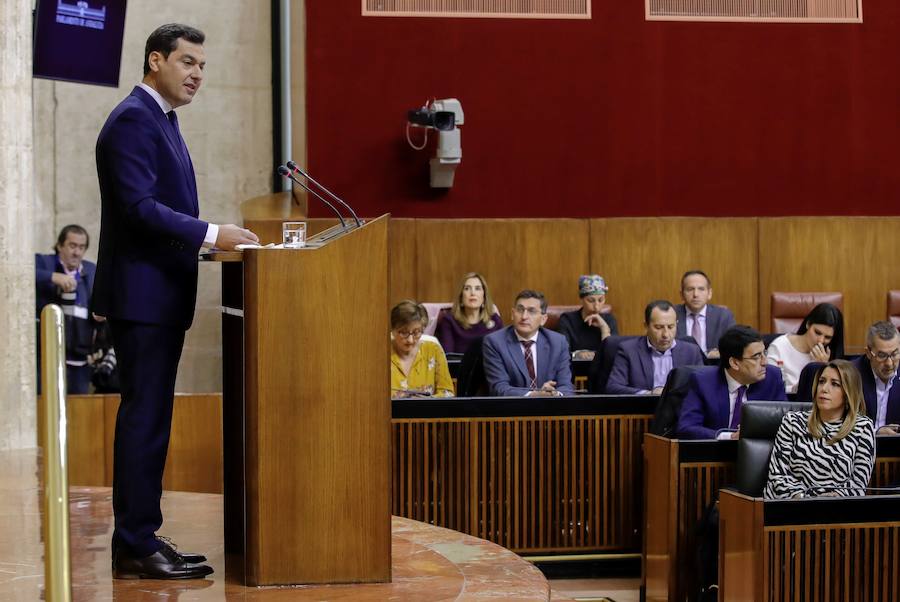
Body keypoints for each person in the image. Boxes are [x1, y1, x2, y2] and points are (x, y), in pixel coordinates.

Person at [93, 24, 258, 580]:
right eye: (188, 62)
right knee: (145, 421)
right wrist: (211, 233)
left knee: (153, 420)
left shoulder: (161, 119)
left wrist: (208, 243)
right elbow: (138, 208)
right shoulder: (134, 119)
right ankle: (134, 543)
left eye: (203, 66)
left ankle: (141, 534)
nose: (197, 74)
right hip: (142, 298)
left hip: (158, 296)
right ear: (155, 60)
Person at [764, 360, 875, 499]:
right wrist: (806, 499)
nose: (824, 389)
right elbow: (777, 476)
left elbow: (858, 485)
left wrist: (829, 500)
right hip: (791, 503)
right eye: (822, 382)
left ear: (848, 392)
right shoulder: (792, 422)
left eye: (835, 384)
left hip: (835, 506)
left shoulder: (862, 427)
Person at [677, 326, 788, 440]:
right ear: (734, 363)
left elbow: (785, 423)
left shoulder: (772, 377)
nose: (765, 362)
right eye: (756, 357)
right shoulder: (704, 382)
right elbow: (687, 428)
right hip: (716, 450)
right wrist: (729, 437)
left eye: (764, 353)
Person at [35, 225, 97, 394]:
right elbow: (21, 271)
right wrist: (52, 277)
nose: (77, 252)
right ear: (60, 245)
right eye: (72, 246)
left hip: (80, 362)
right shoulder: (44, 262)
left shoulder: (91, 271)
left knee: (79, 406)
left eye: (81, 247)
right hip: (46, 358)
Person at [482, 290, 574, 397]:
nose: (524, 316)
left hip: (550, 406)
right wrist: (534, 395)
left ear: (543, 319)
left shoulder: (558, 342)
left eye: (532, 311)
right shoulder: (494, 342)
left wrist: (554, 394)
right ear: (512, 314)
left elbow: (566, 386)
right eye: (520, 310)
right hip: (511, 407)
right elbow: (499, 388)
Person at [606, 300, 704, 395]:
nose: (666, 334)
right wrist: (648, 394)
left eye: (671, 327)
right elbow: (613, 387)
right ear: (646, 326)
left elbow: (703, 387)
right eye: (658, 327)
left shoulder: (692, 352)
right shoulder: (628, 350)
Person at [766, 303, 844, 394]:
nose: (821, 341)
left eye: (827, 337)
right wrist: (814, 368)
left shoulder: (830, 354)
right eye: (817, 332)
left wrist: (823, 367)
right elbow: (771, 387)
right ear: (808, 324)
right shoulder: (779, 347)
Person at [391, 300, 454, 398]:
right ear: (393, 330)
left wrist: (426, 400)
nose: (410, 340)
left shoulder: (433, 349)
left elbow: (448, 393)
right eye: (404, 333)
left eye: (416, 332)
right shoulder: (381, 352)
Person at [435, 272, 503, 354]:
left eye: (477, 288)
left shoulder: (495, 320)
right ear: (461, 297)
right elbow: (448, 357)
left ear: (484, 297)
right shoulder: (449, 321)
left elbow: (502, 353)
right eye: (467, 288)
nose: (473, 293)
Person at [851, 321, 900, 436]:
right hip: (858, 444)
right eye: (882, 355)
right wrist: (875, 432)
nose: (889, 363)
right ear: (868, 353)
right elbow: (839, 423)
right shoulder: (851, 375)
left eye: (894, 354)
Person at [674, 270, 736, 359]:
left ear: (709, 293)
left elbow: (734, 347)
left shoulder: (723, 316)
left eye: (701, 289)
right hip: (682, 364)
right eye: (690, 289)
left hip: (714, 364)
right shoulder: (672, 315)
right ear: (681, 294)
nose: (695, 294)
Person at [557, 274, 619, 360]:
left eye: (600, 300)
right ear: (582, 299)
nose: (596, 306)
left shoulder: (609, 320)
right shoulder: (567, 320)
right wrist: (578, 356)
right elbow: (562, 354)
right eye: (591, 301)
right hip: (574, 366)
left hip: (601, 367)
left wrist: (604, 329)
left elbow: (612, 356)